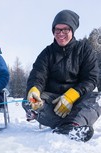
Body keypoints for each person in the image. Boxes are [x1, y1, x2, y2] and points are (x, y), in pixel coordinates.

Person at [23, 10, 101, 142]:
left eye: (65, 30)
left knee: (98, 99)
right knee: (28, 101)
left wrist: (72, 96)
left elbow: (91, 79)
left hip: (77, 99)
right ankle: (66, 125)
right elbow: (37, 76)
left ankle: (74, 124)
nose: (60, 34)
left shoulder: (85, 50)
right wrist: (34, 90)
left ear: (72, 30)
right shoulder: (46, 53)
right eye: (57, 30)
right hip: (53, 101)